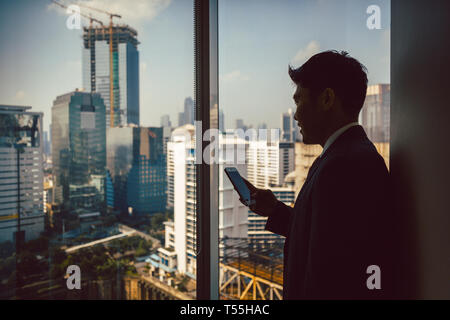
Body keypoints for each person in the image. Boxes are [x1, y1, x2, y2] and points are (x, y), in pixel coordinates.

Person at [242, 50, 394, 299]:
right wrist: (276, 210)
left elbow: (327, 276)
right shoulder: (343, 156)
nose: (296, 114)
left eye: (299, 100)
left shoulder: (343, 165)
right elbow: (325, 239)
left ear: (326, 99)